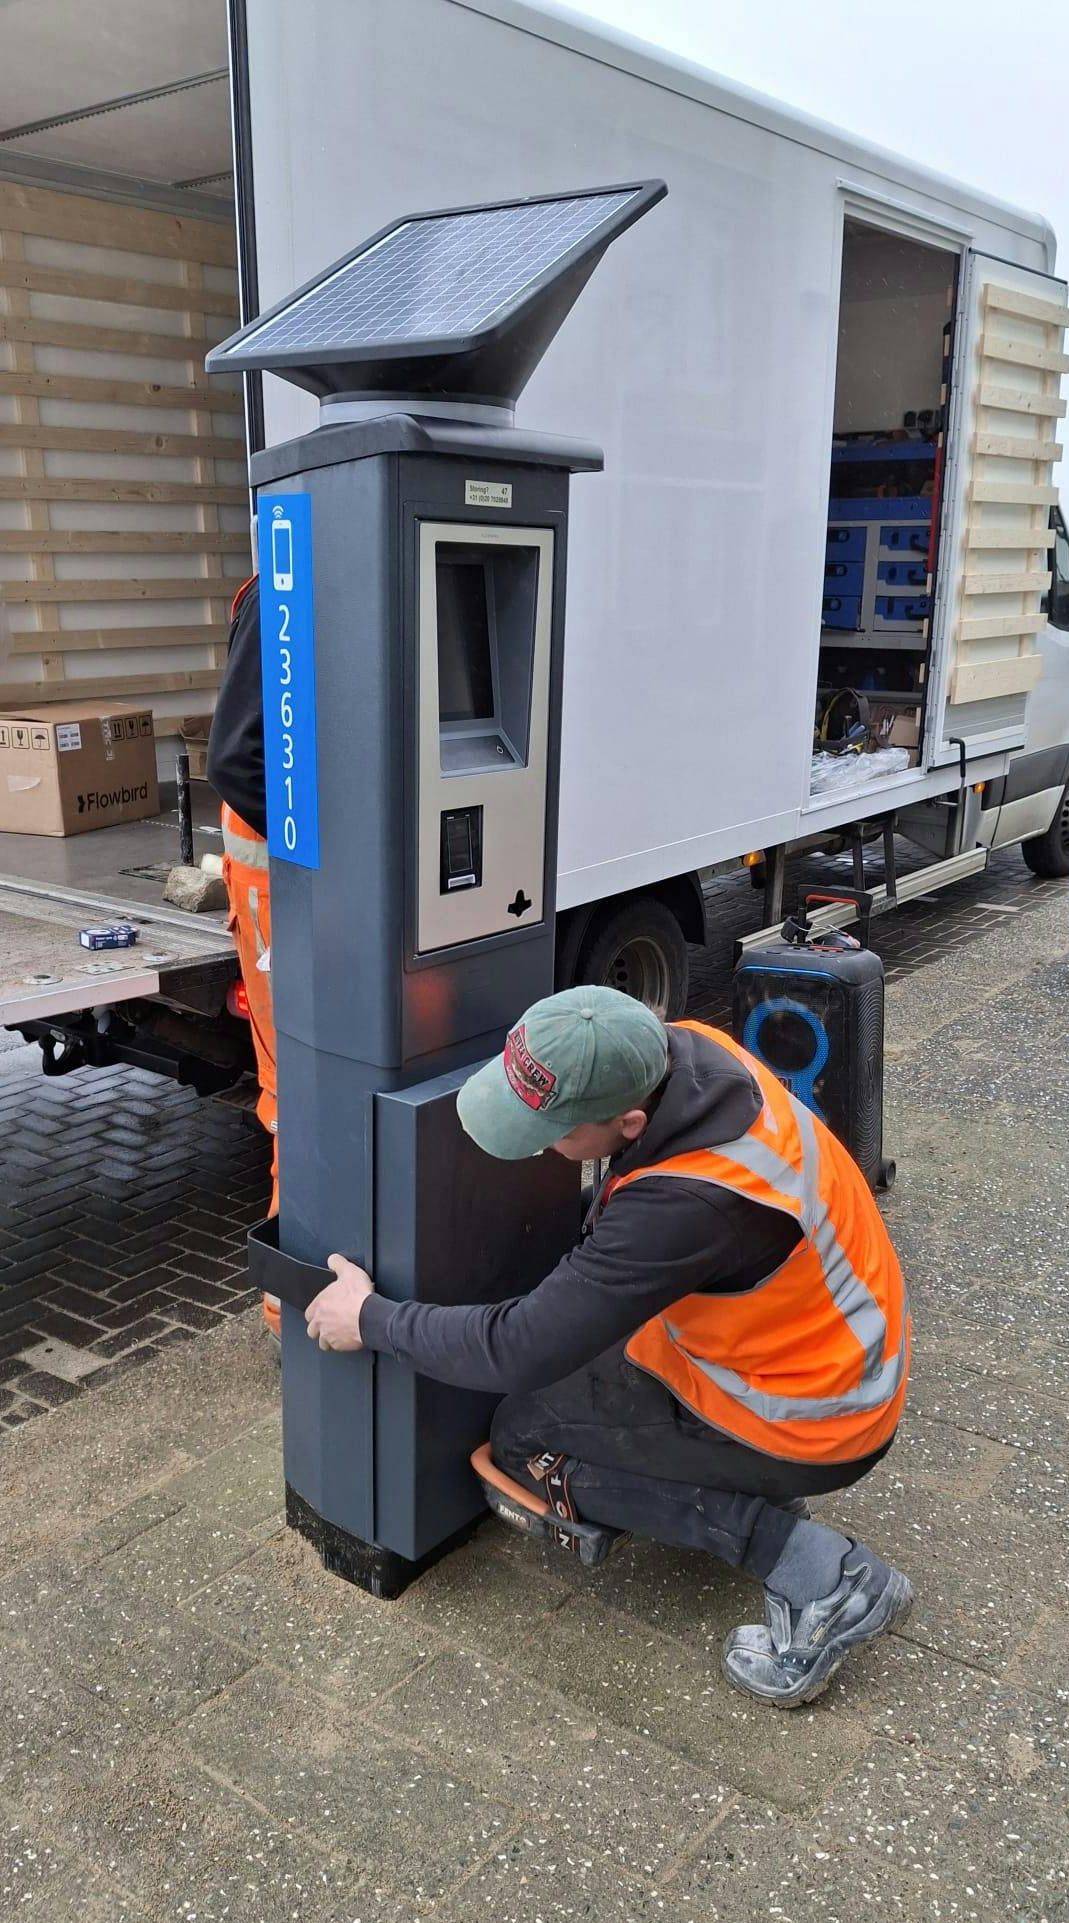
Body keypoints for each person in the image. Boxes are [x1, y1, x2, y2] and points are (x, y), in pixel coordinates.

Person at [304, 985, 915, 1708]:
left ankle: (822, 1575)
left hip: (817, 1415)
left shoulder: (687, 1205)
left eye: (553, 1129)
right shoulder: (679, 1049)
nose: (538, 1144)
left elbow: (519, 1351)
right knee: (574, 1376)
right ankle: (747, 1478)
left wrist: (371, 1319)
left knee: (526, 1445)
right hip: (816, 1347)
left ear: (628, 1120)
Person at [206, 574, 279, 1327]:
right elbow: (235, 759)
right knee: (297, 1100)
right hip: (277, 889)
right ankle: (290, 1316)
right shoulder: (282, 591)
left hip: (290, 888)